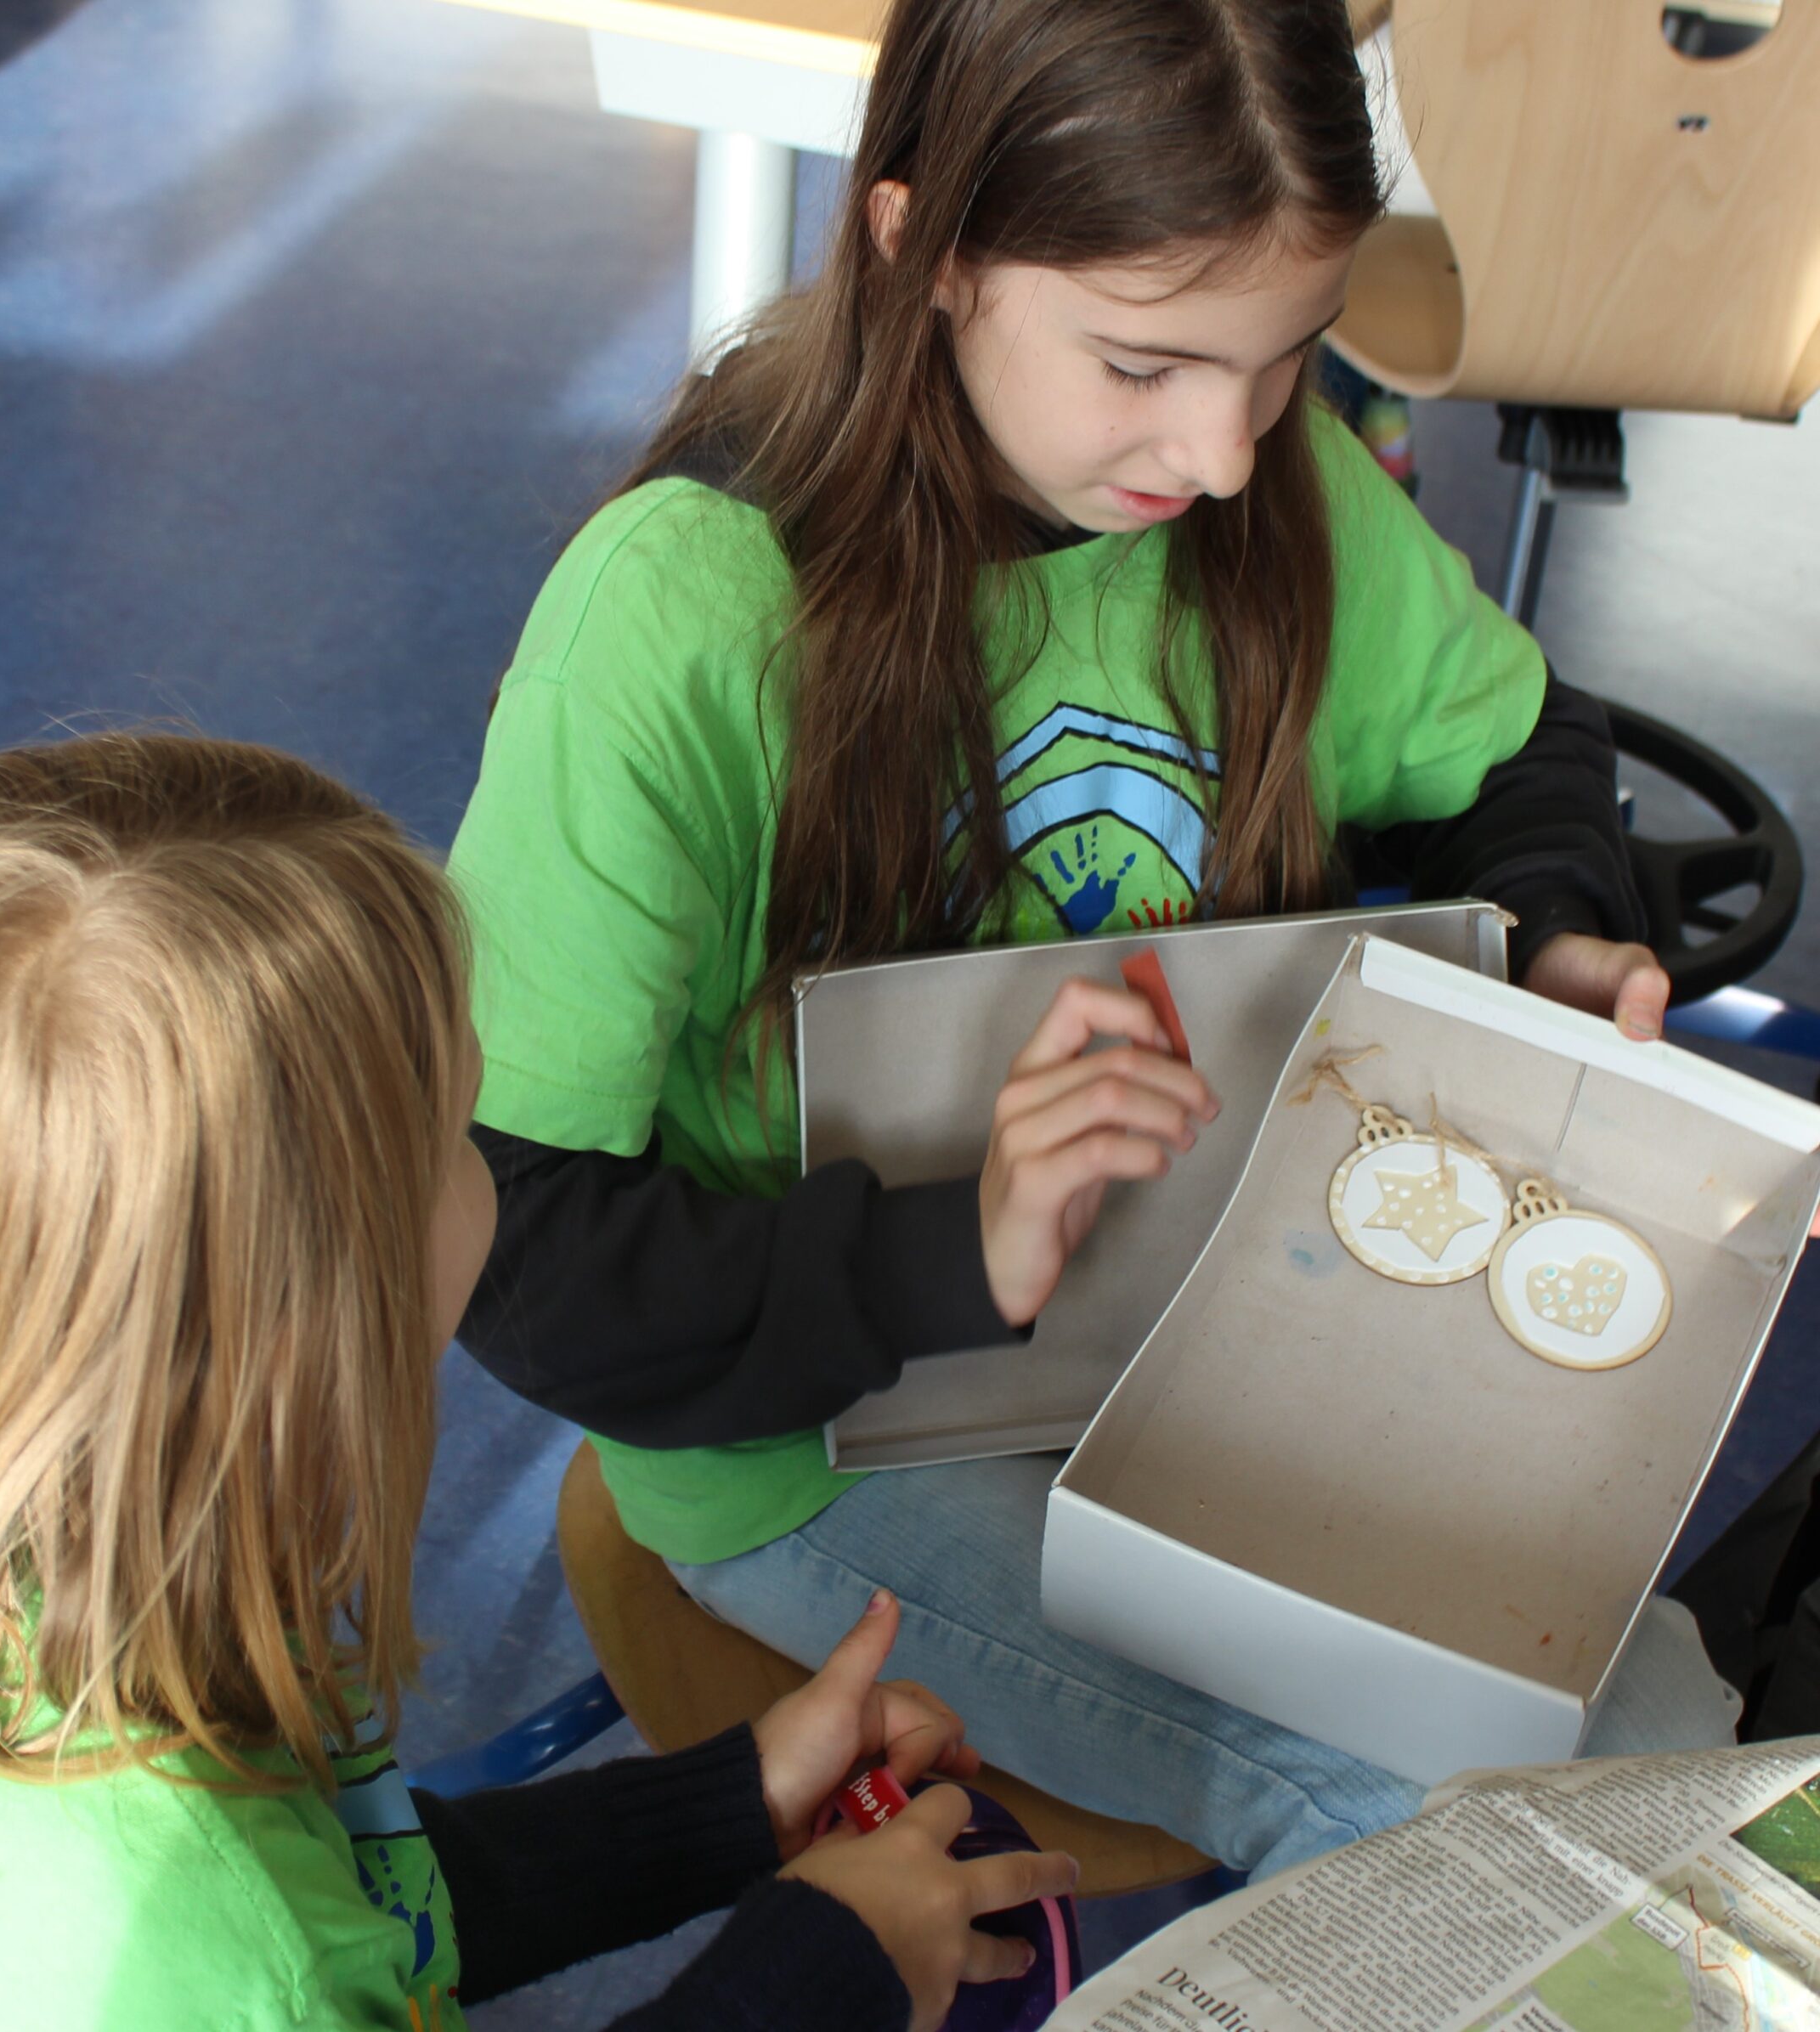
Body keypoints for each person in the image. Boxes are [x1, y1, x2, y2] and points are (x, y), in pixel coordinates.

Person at [446, 0, 1742, 1882]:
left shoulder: (1264, 501)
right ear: (920, 248)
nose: (1219, 453)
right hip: (828, 1435)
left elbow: (1516, 743)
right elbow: (516, 1235)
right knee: (1503, 1833)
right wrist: (944, 1249)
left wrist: (1551, 932)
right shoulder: (681, 621)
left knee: (1643, 1722)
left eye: (1283, 360)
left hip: (1216, 1307)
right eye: (1140, 361)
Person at [0, 733, 1075, 2032]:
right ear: (318, 1327)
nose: (492, 1182)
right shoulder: (205, 1964)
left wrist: (723, 1809)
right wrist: (824, 1972)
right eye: (462, 1128)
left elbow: (347, 1901)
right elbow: (285, 1950)